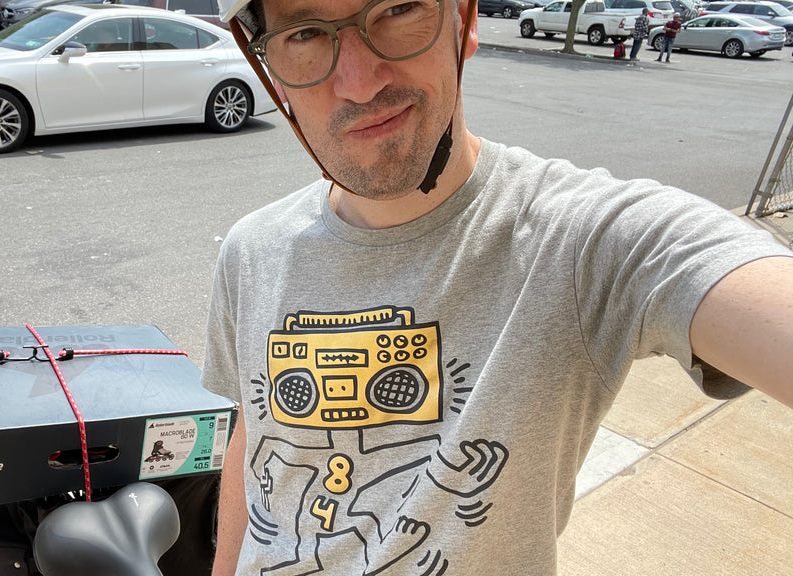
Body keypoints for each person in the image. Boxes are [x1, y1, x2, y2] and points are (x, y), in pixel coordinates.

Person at [199, 1, 793, 575]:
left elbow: (727, 274)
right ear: (269, 67)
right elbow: (258, 433)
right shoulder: (250, 250)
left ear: (464, 20)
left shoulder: (584, 239)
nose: (357, 81)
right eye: (303, 33)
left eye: (398, 9)